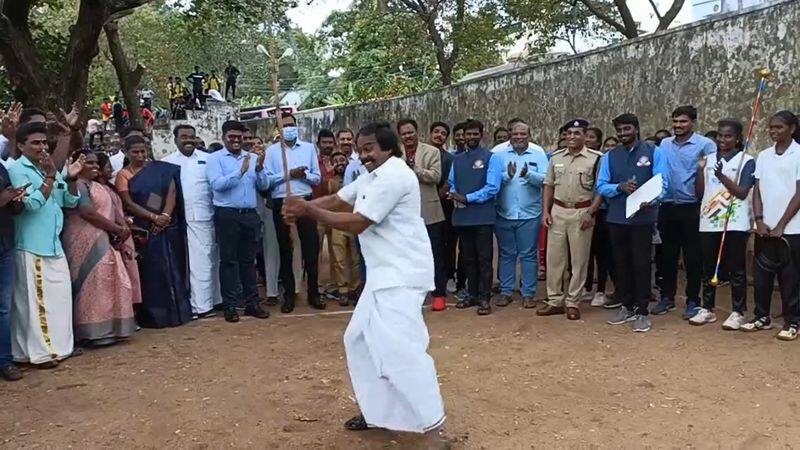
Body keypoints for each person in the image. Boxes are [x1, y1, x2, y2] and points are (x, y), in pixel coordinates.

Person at [281, 121, 446, 440]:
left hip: (402, 274)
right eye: (360, 148)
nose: (362, 154)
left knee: (401, 350)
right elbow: (341, 200)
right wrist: (302, 207)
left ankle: (433, 425)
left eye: (369, 148)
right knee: (358, 340)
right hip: (383, 275)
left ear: (388, 147)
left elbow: (358, 221)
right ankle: (379, 411)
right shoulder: (373, 175)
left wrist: (306, 210)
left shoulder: (396, 175)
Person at [8, 122, 84, 367]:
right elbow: (30, 205)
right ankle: (41, 354)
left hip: (53, 244)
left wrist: (70, 179)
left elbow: (69, 201)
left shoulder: (47, 167)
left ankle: (60, 348)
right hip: (31, 244)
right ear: (20, 145)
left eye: (44, 142)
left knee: (59, 300)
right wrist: (51, 177)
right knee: (35, 302)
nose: (42, 147)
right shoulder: (17, 169)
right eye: (35, 143)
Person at [596, 113, 668, 333]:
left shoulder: (654, 152)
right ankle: (626, 306)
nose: (622, 134)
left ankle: (643, 311)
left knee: (641, 263)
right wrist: (619, 188)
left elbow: (662, 182)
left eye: (627, 129)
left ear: (636, 129)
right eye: (619, 130)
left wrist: (652, 198)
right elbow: (601, 186)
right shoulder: (610, 156)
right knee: (621, 263)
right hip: (617, 217)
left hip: (643, 218)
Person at [63, 150, 138, 346]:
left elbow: (112, 212)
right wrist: (116, 229)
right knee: (92, 281)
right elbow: (88, 213)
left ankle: (110, 329)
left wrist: (121, 229)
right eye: (89, 163)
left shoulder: (99, 187)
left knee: (111, 279)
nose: (95, 166)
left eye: (96, 163)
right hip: (83, 238)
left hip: (103, 236)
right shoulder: (77, 185)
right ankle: (91, 332)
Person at [116, 135, 192, 328]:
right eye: (135, 152)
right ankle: (155, 317)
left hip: (168, 226)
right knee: (151, 271)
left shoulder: (161, 169)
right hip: (144, 229)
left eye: (143, 151)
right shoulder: (124, 175)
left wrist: (165, 215)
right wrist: (153, 218)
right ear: (125, 152)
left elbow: (172, 191)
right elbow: (127, 202)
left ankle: (179, 313)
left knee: (174, 266)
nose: (140, 155)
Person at [651, 106, 716, 318]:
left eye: (683, 122)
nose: (678, 126)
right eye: (676, 122)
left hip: (693, 208)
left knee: (693, 258)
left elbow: (712, 176)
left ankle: (693, 300)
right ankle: (667, 298)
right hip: (667, 206)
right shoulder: (665, 144)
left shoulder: (706, 145)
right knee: (667, 256)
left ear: (694, 122)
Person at [206, 120, 271, 322]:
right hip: (227, 214)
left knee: (248, 261)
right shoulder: (215, 159)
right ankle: (231, 305)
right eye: (231, 137)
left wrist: (259, 169)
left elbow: (264, 185)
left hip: (250, 215)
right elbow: (217, 185)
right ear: (224, 137)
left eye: (239, 137)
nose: (236, 140)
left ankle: (252, 303)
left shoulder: (252, 158)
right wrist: (240, 171)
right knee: (229, 261)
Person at [691, 119, 754, 328]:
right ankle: (707, 308)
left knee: (736, 269)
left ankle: (738, 311)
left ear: (737, 139)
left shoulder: (747, 160)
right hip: (709, 220)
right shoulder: (707, 159)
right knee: (708, 267)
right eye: (719, 135)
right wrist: (701, 171)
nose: (722, 140)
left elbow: (742, 193)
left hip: (735, 221)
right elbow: (699, 193)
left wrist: (721, 176)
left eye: (728, 136)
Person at [538, 119, 603, 320]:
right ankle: (555, 300)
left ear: (585, 136)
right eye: (569, 133)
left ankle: (573, 301)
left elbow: (600, 189)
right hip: (558, 210)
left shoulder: (596, 159)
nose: (572, 137)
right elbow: (548, 185)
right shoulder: (556, 157)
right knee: (554, 259)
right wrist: (546, 212)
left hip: (581, 212)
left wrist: (591, 212)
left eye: (577, 133)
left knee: (579, 260)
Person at [747, 111, 800, 339]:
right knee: (762, 276)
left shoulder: (798, 154)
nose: (773, 131)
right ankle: (761, 316)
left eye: (778, 127)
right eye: (771, 127)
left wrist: (781, 225)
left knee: (790, 279)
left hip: (792, 228)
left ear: (792, 128)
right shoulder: (764, 155)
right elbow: (757, 190)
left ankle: (792, 322)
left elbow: (799, 193)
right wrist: (759, 221)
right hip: (765, 227)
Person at [264, 113, 324, 313]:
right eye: (284, 125)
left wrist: (303, 175)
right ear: (278, 129)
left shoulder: (308, 148)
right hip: (283, 201)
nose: (289, 128)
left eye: (291, 125)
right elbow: (267, 181)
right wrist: (288, 175)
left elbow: (317, 178)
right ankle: (288, 295)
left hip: (304, 200)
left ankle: (314, 293)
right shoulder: (272, 152)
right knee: (286, 249)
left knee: (311, 248)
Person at [163, 124, 221, 319]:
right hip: (181, 219)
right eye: (184, 137)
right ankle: (200, 306)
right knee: (195, 263)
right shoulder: (167, 163)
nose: (188, 140)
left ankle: (214, 300)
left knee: (210, 260)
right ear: (175, 139)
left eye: (191, 137)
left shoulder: (208, 159)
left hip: (208, 216)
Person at [448, 119, 502, 315]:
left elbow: (493, 187)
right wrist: (454, 194)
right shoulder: (458, 159)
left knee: (484, 258)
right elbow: (452, 182)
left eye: (474, 134)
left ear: (481, 135)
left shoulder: (491, 158)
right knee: (468, 259)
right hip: (462, 217)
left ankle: (485, 298)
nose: (471, 137)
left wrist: (468, 198)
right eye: (468, 134)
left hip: (483, 217)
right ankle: (472, 295)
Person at [493, 121, 548, 309]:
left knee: (528, 255)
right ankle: (506, 291)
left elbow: (546, 180)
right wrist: (506, 176)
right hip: (504, 212)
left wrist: (528, 175)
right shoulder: (498, 153)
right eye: (515, 134)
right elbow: (491, 181)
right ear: (510, 134)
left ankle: (528, 294)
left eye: (522, 134)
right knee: (507, 254)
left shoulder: (538, 153)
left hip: (529, 213)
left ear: (529, 135)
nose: (518, 137)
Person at [397, 118, 447, 311]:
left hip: (430, 211)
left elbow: (435, 176)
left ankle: (439, 294)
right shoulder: (394, 155)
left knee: (435, 253)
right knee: (407, 256)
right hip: (404, 214)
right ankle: (412, 294)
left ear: (417, 132)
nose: (408, 136)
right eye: (404, 133)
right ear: (399, 136)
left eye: (411, 132)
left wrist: (415, 170)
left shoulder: (432, 151)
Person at [0, 157, 26, 381]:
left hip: (5, 244)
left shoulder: (1, 168)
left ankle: (5, 361)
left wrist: (16, 200)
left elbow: (13, 210)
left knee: (4, 308)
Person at [585, 128, 616, 307]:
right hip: (584, 209)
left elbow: (602, 187)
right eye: (586, 136)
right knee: (586, 253)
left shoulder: (603, 160)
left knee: (602, 253)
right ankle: (587, 287)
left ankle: (601, 290)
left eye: (592, 137)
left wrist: (594, 208)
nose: (588, 140)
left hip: (603, 211)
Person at [326, 151, 362, 304]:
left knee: (355, 259)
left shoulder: (356, 176)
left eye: (343, 160)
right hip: (338, 223)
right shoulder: (331, 181)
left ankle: (355, 288)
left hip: (354, 221)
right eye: (337, 161)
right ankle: (342, 290)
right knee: (339, 259)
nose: (340, 163)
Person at [429, 121, 458, 296]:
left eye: (443, 133)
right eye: (436, 132)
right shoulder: (420, 154)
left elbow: (448, 182)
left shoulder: (449, 158)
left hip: (445, 207)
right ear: (430, 133)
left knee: (447, 245)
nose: (439, 135)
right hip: (423, 208)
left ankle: (448, 277)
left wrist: (436, 199)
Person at [314, 129, 339, 300]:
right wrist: (328, 174)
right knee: (316, 251)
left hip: (337, 212)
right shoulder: (314, 163)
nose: (328, 146)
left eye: (330, 143)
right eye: (325, 143)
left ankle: (334, 286)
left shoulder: (340, 161)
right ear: (319, 144)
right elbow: (318, 187)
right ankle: (317, 286)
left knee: (336, 251)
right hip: (318, 211)